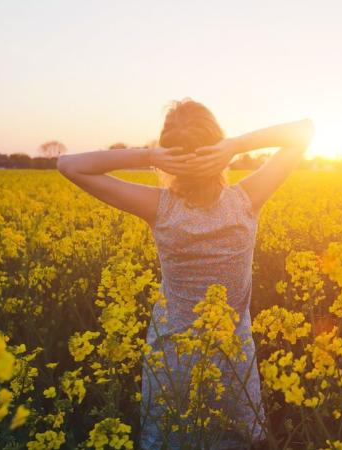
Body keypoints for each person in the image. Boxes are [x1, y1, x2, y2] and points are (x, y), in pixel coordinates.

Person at [57, 98, 314, 449]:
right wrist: (236, 146)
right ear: (218, 149)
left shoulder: (158, 207)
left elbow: (69, 165)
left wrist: (149, 156)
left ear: (168, 157)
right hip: (232, 360)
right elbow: (303, 132)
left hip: (173, 359)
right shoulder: (247, 200)